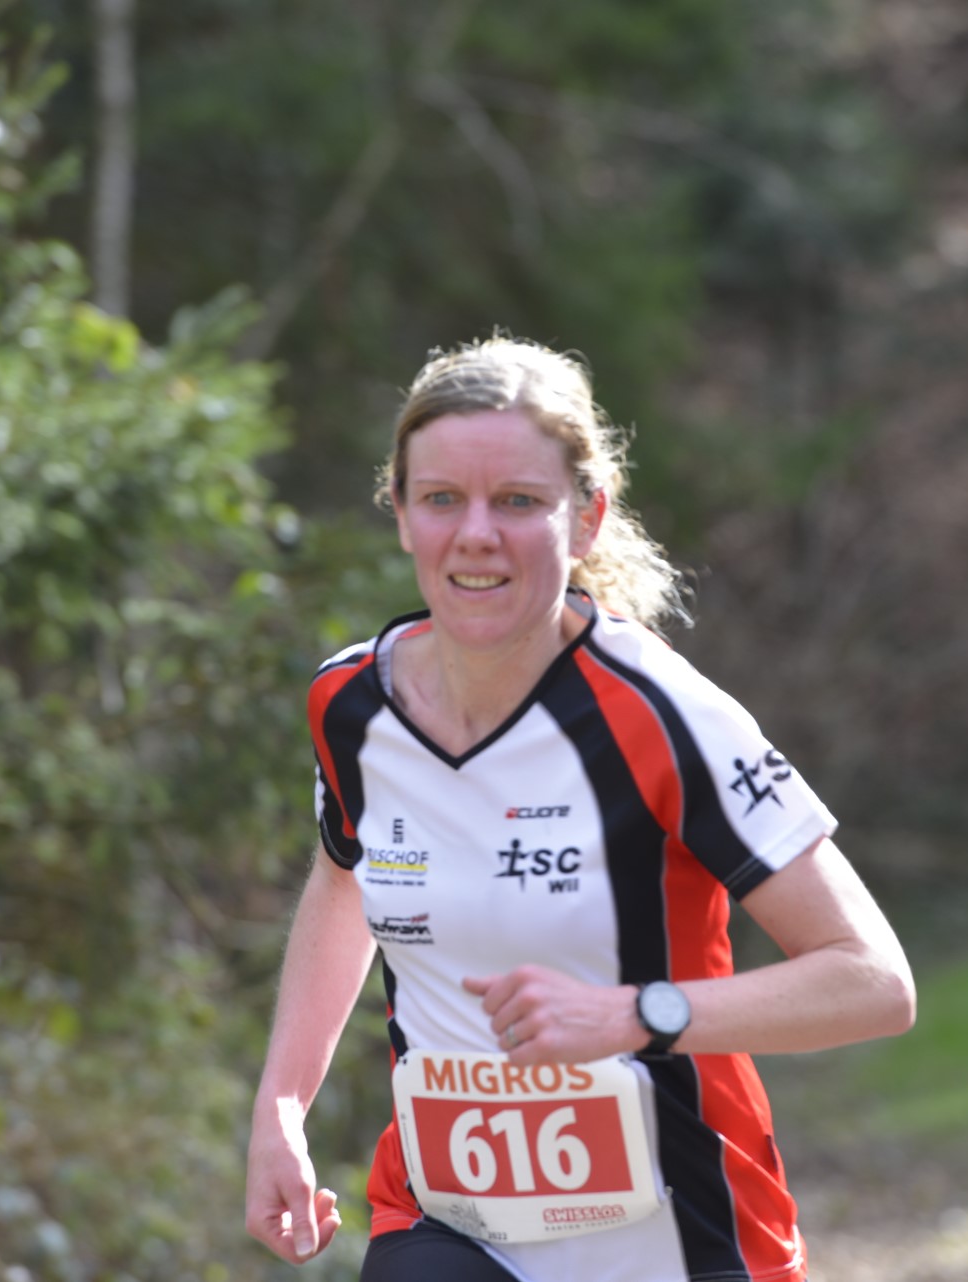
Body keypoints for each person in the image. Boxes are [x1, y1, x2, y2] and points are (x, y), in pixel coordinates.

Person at [244, 336, 916, 1282]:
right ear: (400, 513)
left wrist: (636, 1014)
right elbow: (345, 881)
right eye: (442, 499)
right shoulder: (352, 707)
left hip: (682, 1235)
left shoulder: (663, 714)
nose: (477, 534)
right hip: (453, 1220)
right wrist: (282, 1107)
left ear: (587, 518)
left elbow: (874, 981)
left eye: (519, 501)